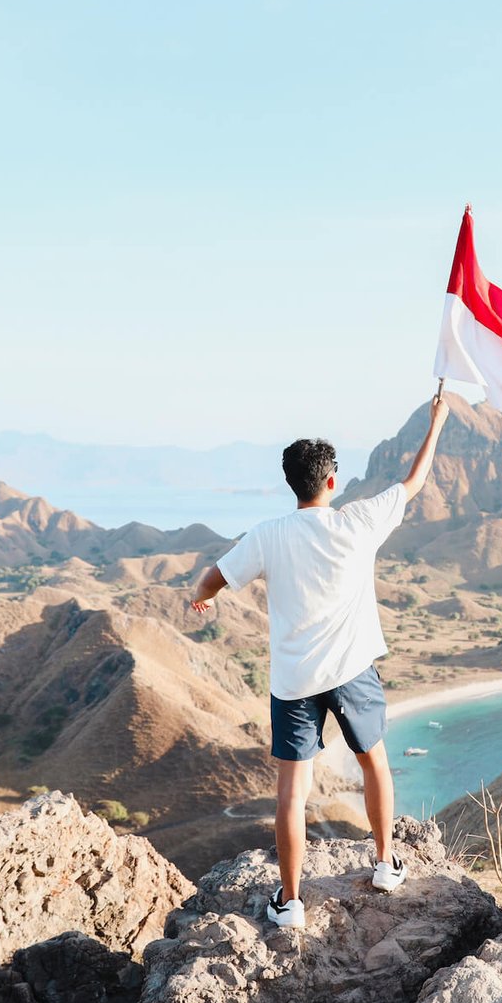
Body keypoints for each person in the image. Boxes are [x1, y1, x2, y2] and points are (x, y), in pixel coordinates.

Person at [189, 393, 451, 929]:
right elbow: (414, 482)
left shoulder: (267, 535)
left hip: (294, 683)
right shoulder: (358, 521)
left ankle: (289, 903)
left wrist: (203, 594)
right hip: (353, 671)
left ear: (293, 484)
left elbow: (216, 574)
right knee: (374, 761)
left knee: (292, 791)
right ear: (331, 482)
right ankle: (384, 864)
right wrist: (436, 422)